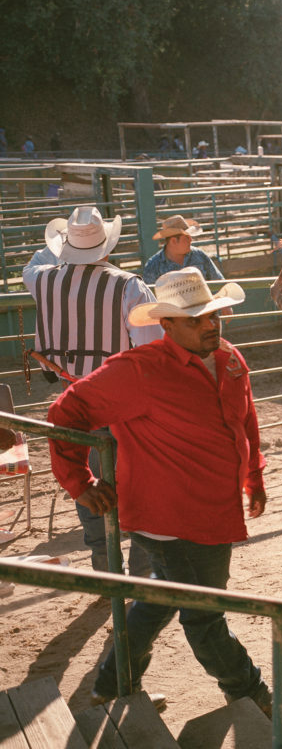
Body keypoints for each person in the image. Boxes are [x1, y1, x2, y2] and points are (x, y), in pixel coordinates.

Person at [47, 268, 282, 717]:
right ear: (167, 325)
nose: (209, 325)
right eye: (194, 320)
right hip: (172, 518)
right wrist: (78, 482)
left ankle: (112, 686)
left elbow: (245, 421)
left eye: (211, 315)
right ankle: (251, 693)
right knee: (204, 613)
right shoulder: (138, 371)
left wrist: (254, 474)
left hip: (210, 511)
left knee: (160, 599)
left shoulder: (231, 360)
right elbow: (67, 410)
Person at [24, 206, 163, 575]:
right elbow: (151, 352)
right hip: (120, 406)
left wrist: (64, 248)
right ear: (107, 245)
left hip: (72, 402)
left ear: (67, 244)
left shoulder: (41, 279)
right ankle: (141, 575)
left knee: (86, 487)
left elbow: (34, 263)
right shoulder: (130, 287)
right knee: (137, 489)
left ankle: (105, 568)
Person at [142, 215, 225, 285]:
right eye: (187, 237)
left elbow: (219, 283)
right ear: (174, 241)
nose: (191, 240)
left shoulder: (199, 255)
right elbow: (150, 299)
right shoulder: (153, 266)